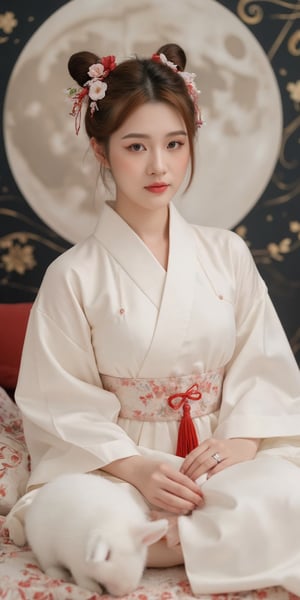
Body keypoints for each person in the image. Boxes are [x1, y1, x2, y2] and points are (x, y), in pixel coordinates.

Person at [6, 43, 300, 595]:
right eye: (136, 146)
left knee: (290, 496)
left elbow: (262, 367)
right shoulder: (73, 275)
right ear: (101, 149)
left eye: (174, 144)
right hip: (118, 465)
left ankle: (170, 543)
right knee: (78, 513)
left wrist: (242, 443)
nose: (159, 166)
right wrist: (137, 468)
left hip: (220, 457)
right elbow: (58, 404)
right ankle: (200, 537)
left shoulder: (226, 254)